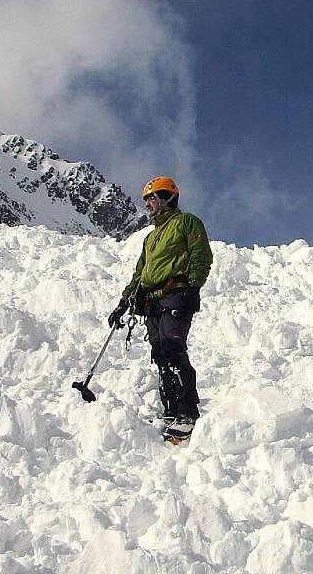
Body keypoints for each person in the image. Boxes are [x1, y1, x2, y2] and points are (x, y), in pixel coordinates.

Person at [107, 176, 213, 441]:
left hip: (176, 293)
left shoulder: (186, 222)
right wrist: (124, 302)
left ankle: (187, 411)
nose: (147, 205)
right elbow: (140, 273)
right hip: (151, 300)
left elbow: (201, 255)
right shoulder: (151, 238)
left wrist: (193, 287)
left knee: (173, 348)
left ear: (167, 197)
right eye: (145, 200)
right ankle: (171, 408)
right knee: (160, 353)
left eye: (151, 198)